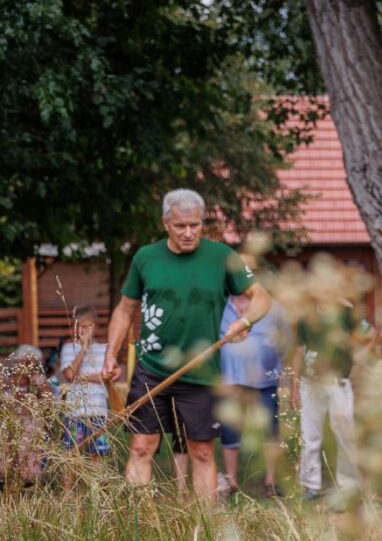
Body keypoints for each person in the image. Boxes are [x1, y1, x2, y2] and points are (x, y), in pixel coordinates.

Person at [103, 189, 271, 501]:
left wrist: (243, 323)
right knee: (141, 446)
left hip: (201, 370)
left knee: (203, 452)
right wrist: (110, 355)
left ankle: (204, 530)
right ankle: (139, 523)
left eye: (195, 225)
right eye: (180, 226)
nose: (189, 232)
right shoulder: (146, 258)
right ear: (166, 223)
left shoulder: (221, 257)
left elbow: (261, 297)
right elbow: (125, 308)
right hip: (152, 368)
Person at [218, 254, 288, 497]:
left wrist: (286, 376)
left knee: (270, 431)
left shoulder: (273, 307)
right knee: (229, 430)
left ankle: (270, 481)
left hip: (264, 381)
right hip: (231, 381)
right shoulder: (220, 305)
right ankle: (231, 482)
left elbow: (287, 343)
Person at [293, 292, 373, 501]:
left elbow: (368, 334)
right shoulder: (306, 316)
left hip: (338, 381)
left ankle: (349, 485)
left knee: (344, 432)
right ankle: (310, 485)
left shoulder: (346, 312)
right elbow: (299, 350)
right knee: (309, 435)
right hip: (310, 381)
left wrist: (356, 358)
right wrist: (294, 384)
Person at [59, 306, 112, 460]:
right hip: (75, 412)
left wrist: (81, 376)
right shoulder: (69, 348)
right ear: (76, 327)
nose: (86, 330)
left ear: (95, 327)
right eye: (82, 326)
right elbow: (69, 375)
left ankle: (95, 485)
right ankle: (69, 486)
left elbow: (106, 376)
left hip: (99, 411)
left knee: (98, 455)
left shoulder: (104, 349)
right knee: (71, 456)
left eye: (89, 326)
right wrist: (84, 348)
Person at [1, 344, 53, 485]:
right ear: (15, 363)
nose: (26, 366)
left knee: (29, 439)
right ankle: (5, 477)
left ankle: (29, 478)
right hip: (7, 421)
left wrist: (33, 401)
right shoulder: (6, 379)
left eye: (31, 363)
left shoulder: (38, 380)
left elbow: (48, 400)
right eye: (23, 362)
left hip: (31, 423)